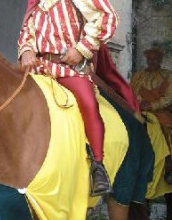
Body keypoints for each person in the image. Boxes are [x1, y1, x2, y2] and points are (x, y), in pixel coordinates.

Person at [18, 0, 120, 196]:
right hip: (38, 70)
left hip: (67, 68)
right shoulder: (36, 4)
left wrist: (81, 49)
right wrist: (27, 51)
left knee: (89, 105)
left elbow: (108, 17)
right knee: (9, 99)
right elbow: (26, 33)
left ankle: (98, 167)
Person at [130, 48, 172, 185]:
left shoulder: (170, 76)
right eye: (149, 59)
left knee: (167, 131)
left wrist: (153, 105)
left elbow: (169, 97)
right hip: (141, 111)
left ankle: (169, 169)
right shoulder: (138, 76)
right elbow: (132, 93)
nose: (152, 61)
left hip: (161, 112)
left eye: (155, 59)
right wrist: (140, 102)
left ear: (160, 60)